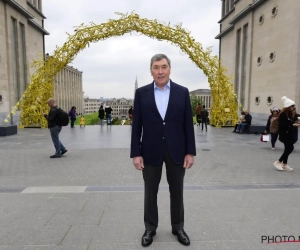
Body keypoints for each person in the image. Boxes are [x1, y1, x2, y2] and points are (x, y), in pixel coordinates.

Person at [130, 54, 196, 247]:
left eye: (164, 67)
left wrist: (190, 151)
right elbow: (137, 126)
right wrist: (136, 153)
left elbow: (187, 125)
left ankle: (178, 227)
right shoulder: (141, 93)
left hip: (177, 150)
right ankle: (150, 228)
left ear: (170, 69)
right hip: (150, 150)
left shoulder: (182, 92)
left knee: (177, 191)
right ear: (151, 70)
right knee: (150, 192)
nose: (160, 71)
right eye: (156, 67)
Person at [274, 96, 300, 171]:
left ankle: (285, 164)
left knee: (287, 149)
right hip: (285, 134)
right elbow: (283, 124)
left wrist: (296, 123)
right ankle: (278, 161)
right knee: (290, 148)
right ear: (288, 106)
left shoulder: (288, 114)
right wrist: (293, 124)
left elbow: (289, 122)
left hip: (288, 134)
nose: (293, 107)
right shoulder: (283, 114)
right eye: (292, 106)